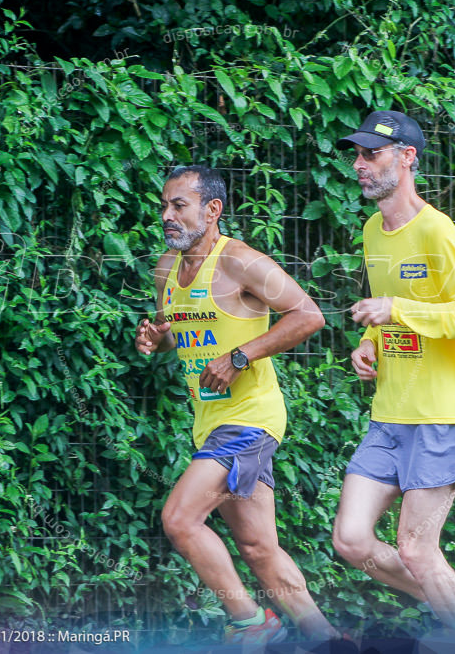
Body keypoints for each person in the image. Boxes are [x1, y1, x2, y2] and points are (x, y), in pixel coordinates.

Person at [135, 165, 341, 645]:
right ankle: (330, 640)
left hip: (250, 420)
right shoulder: (167, 267)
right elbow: (176, 333)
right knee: (258, 548)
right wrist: (155, 339)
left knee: (180, 519)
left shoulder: (241, 262)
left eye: (178, 205)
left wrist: (241, 355)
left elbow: (308, 315)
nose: (167, 215)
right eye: (164, 206)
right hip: (210, 424)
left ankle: (250, 622)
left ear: (212, 210)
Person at [330, 111, 455, 635]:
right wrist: (368, 342)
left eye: (370, 154)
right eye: (356, 155)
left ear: (407, 158)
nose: (359, 165)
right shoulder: (373, 230)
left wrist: (395, 309)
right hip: (389, 414)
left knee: (418, 548)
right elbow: (387, 310)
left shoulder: (437, 230)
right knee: (351, 541)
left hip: (441, 416)